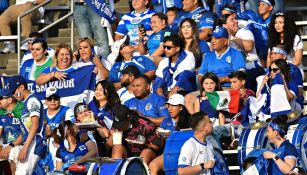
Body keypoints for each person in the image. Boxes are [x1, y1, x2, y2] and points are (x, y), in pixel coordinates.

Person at [7, 75, 47, 175]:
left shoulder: (32, 100)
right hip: (31, 143)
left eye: (14, 91)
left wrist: (25, 148)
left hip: (36, 143)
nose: (13, 95)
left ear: (21, 87)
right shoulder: (27, 102)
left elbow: (35, 125)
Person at [220, 12, 264, 91]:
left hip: (251, 67)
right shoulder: (221, 39)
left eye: (235, 19)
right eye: (232, 20)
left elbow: (249, 47)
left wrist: (232, 38)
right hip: (234, 71)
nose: (236, 21)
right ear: (224, 25)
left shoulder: (244, 32)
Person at [149, 94, 190, 175]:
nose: (169, 109)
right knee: (153, 165)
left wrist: (173, 135)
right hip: (168, 153)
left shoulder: (190, 120)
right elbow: (159, 144)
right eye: (168, 105)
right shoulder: (165, 121)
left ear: (181, 107)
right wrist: (159, 136)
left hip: (184, 153)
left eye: (173, 106)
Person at [0, 89, 23, 175]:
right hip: (6, 144)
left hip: (21, 144)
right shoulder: (2, 111)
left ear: (9, 100)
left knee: (14, 152)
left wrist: (11, 146)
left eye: (0, 98)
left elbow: (27, 134)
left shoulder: (23, 110)